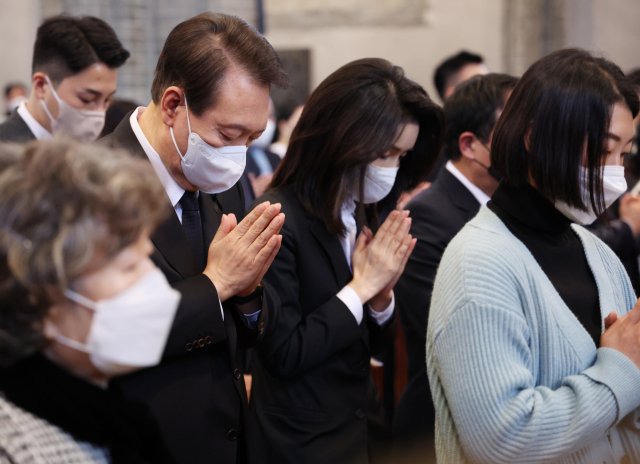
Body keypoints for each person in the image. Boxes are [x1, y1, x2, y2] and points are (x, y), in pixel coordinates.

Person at [427, 48, 640, 464]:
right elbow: (501, 439)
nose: (615, 172)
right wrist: (620, 370)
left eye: (625, 153)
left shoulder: (595, 251)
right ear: (533, 137)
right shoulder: (479, 262)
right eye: (602, 151)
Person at [99, 13, 288, 464]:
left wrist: (247, 291)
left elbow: (254, 320)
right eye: (228, 134)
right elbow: (101, 333)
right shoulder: (89, 185)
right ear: (172, 105)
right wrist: (216, 285)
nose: (237, 154)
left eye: (253, 137)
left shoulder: (223, 177)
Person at [249, 58, 445, 464]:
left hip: (363, 431)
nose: (392, 169)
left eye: (401, 157)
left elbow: (372, 348)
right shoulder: (278, 216)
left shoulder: (360, 209)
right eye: (384, 154)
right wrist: (361, 288)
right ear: (341, 139)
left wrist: (379, 301)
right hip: (300, 442)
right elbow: (284, 352)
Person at [0, 139, 180, 463]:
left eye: (147, 259)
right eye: (129, 266)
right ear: (42, 299)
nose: (152, 282)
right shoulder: (15, 448)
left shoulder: (113, 417)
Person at [392, 73, 518, 462]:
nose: (532, 145)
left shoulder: (512, 207)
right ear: (470, 145)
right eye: (516, 131)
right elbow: (457, 333)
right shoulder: (428, 217)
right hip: (442, 430)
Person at [0, 15, 129, 144]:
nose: (99, 115)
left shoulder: (95, 152)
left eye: (107, 100)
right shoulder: (6, 152)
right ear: (41, 86)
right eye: (87, 99)